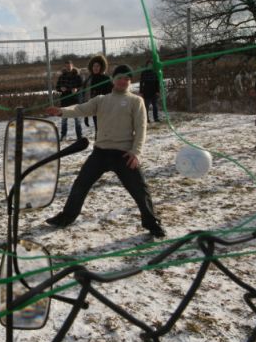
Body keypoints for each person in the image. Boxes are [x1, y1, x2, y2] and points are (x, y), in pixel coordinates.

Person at [45, 64, 166, 238]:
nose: (123, 81)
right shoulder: (101, 100)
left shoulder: (135, 101)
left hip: (124, 154)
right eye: (119, 78)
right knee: (80, 184)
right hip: (100, 153)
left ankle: (152, 223)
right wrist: (60, 111)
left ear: (130, 81)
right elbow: (80, 109)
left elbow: (141, 129)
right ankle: (66, 217)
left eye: (127, 78)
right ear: (113, 79)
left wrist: (136, 152)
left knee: (140, 190)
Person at [83, 54, 112, 131]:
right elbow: (86, 96)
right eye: (94, 66)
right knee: (98, 129)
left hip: (104, 109)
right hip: (94, 108)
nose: (95, 68)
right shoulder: (89, 79)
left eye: (97, 66)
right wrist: (86, 115)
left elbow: (111, 94)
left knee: (104, 129)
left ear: (101, 67)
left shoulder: (106, 79)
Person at [55, 60, 83, 140]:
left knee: (77, 119)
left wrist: (77, 89)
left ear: (72, 65)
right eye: (66, 66)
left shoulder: (78, 76)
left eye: (69, 65)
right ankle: (63, 136)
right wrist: (61, 89)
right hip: (65, 101)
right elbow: (57, 87)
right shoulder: (62, 76)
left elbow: (82, 87)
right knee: (64, 120)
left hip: (75, 100)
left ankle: (79, 136)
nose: (68, 67)